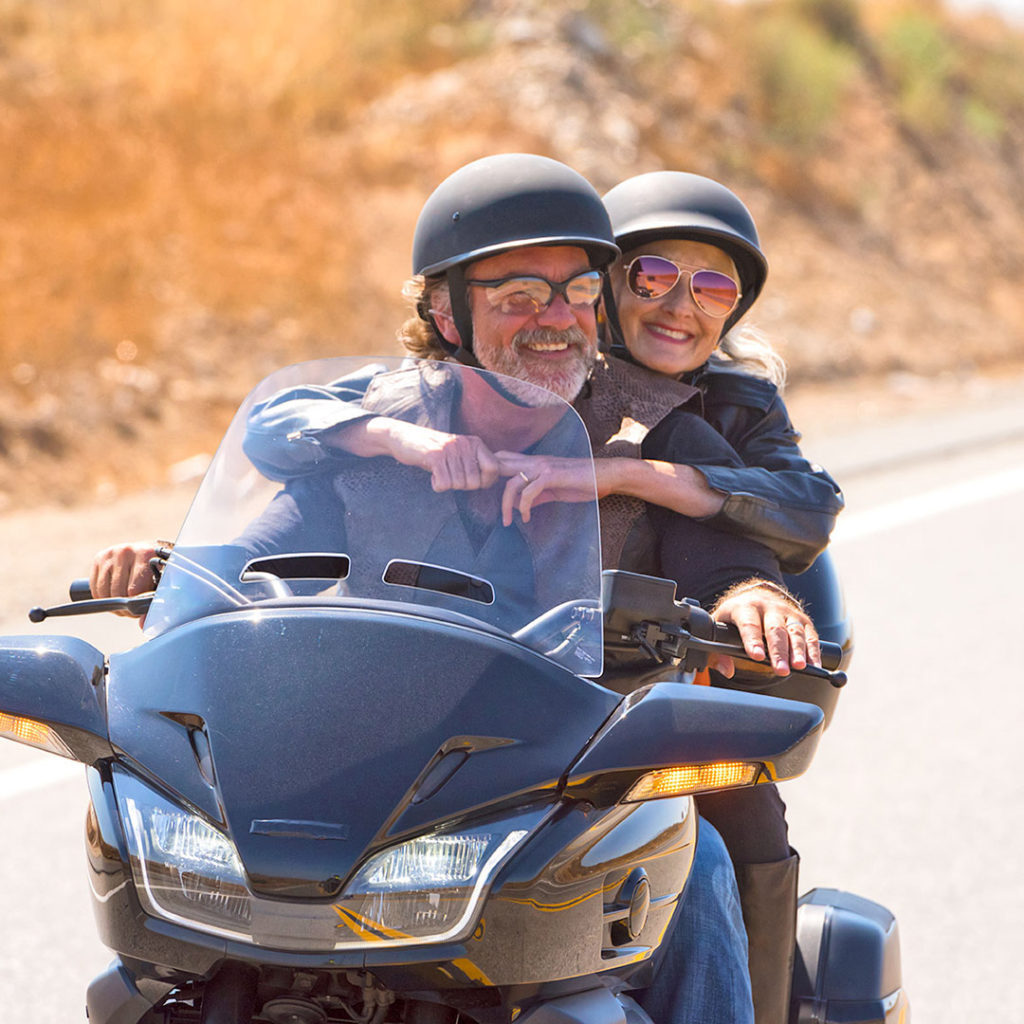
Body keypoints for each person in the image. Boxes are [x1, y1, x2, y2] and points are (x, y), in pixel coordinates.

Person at [91, 154, 822, 1024]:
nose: (555, 321)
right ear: (446, 311)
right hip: (385, 754)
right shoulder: (377, 425)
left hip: (574, 777)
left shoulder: (657, 431)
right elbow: (260, 553)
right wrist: (177, 571)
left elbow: (722, 558)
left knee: (691, 857)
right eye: (518, 297)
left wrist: (751, 597)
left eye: (578, 293)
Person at [601, 170, 845, 1024]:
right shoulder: (529, 378)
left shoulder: (739, 405)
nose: (682, 305)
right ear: (606, 278)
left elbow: (809, 503)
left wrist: (645, 474)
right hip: (502, 682)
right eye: (655, 275)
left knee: (738, 820)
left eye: (712, 286)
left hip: (661, 695)